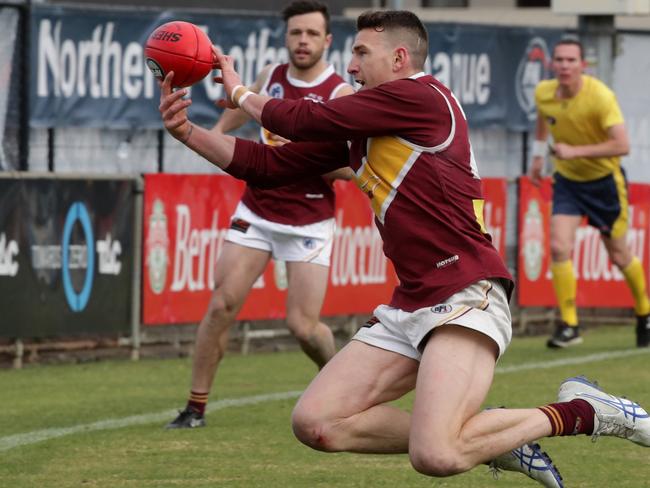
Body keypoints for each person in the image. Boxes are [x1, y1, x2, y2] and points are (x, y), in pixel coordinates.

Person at [159, 10, 650, 486]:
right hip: (412, 300)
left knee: (437, 454)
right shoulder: (365, 127)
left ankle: (583, 411)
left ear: (398, 60)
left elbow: (303, 120)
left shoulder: (422, 96)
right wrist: (187, 133)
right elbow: (267, 165)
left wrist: (241, 91)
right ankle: (495, 436)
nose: (350, 65)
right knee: (316, 422)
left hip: (465, 293)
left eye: (360, 52)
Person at [166, 0, 355, 429]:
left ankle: (342, 381)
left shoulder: (339, 94)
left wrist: (305, 160)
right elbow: (241, 106)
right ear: (286, 37)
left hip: (309, 218)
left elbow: (353, 165)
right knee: (221, 304)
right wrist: (214, 135)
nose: (302, 41)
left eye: (311, 34)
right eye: (295, 33)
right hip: (258, 209)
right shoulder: (270, 77)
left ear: (327, 41)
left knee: (304, 328)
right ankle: (195, 408)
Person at [529, 37, 650, 349]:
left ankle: (644, 313)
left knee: (619, 255)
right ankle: (569, 324)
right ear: (552, 64)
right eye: (560, 60)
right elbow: (544, 120)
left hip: (604, 183)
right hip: (568, 182)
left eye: (571, 60)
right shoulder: (544, 92)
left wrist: (575, 151)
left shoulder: (600, 97)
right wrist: (539, 155)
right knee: (558, 247)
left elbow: (622, 145)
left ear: (583, 65)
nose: (565, 66)